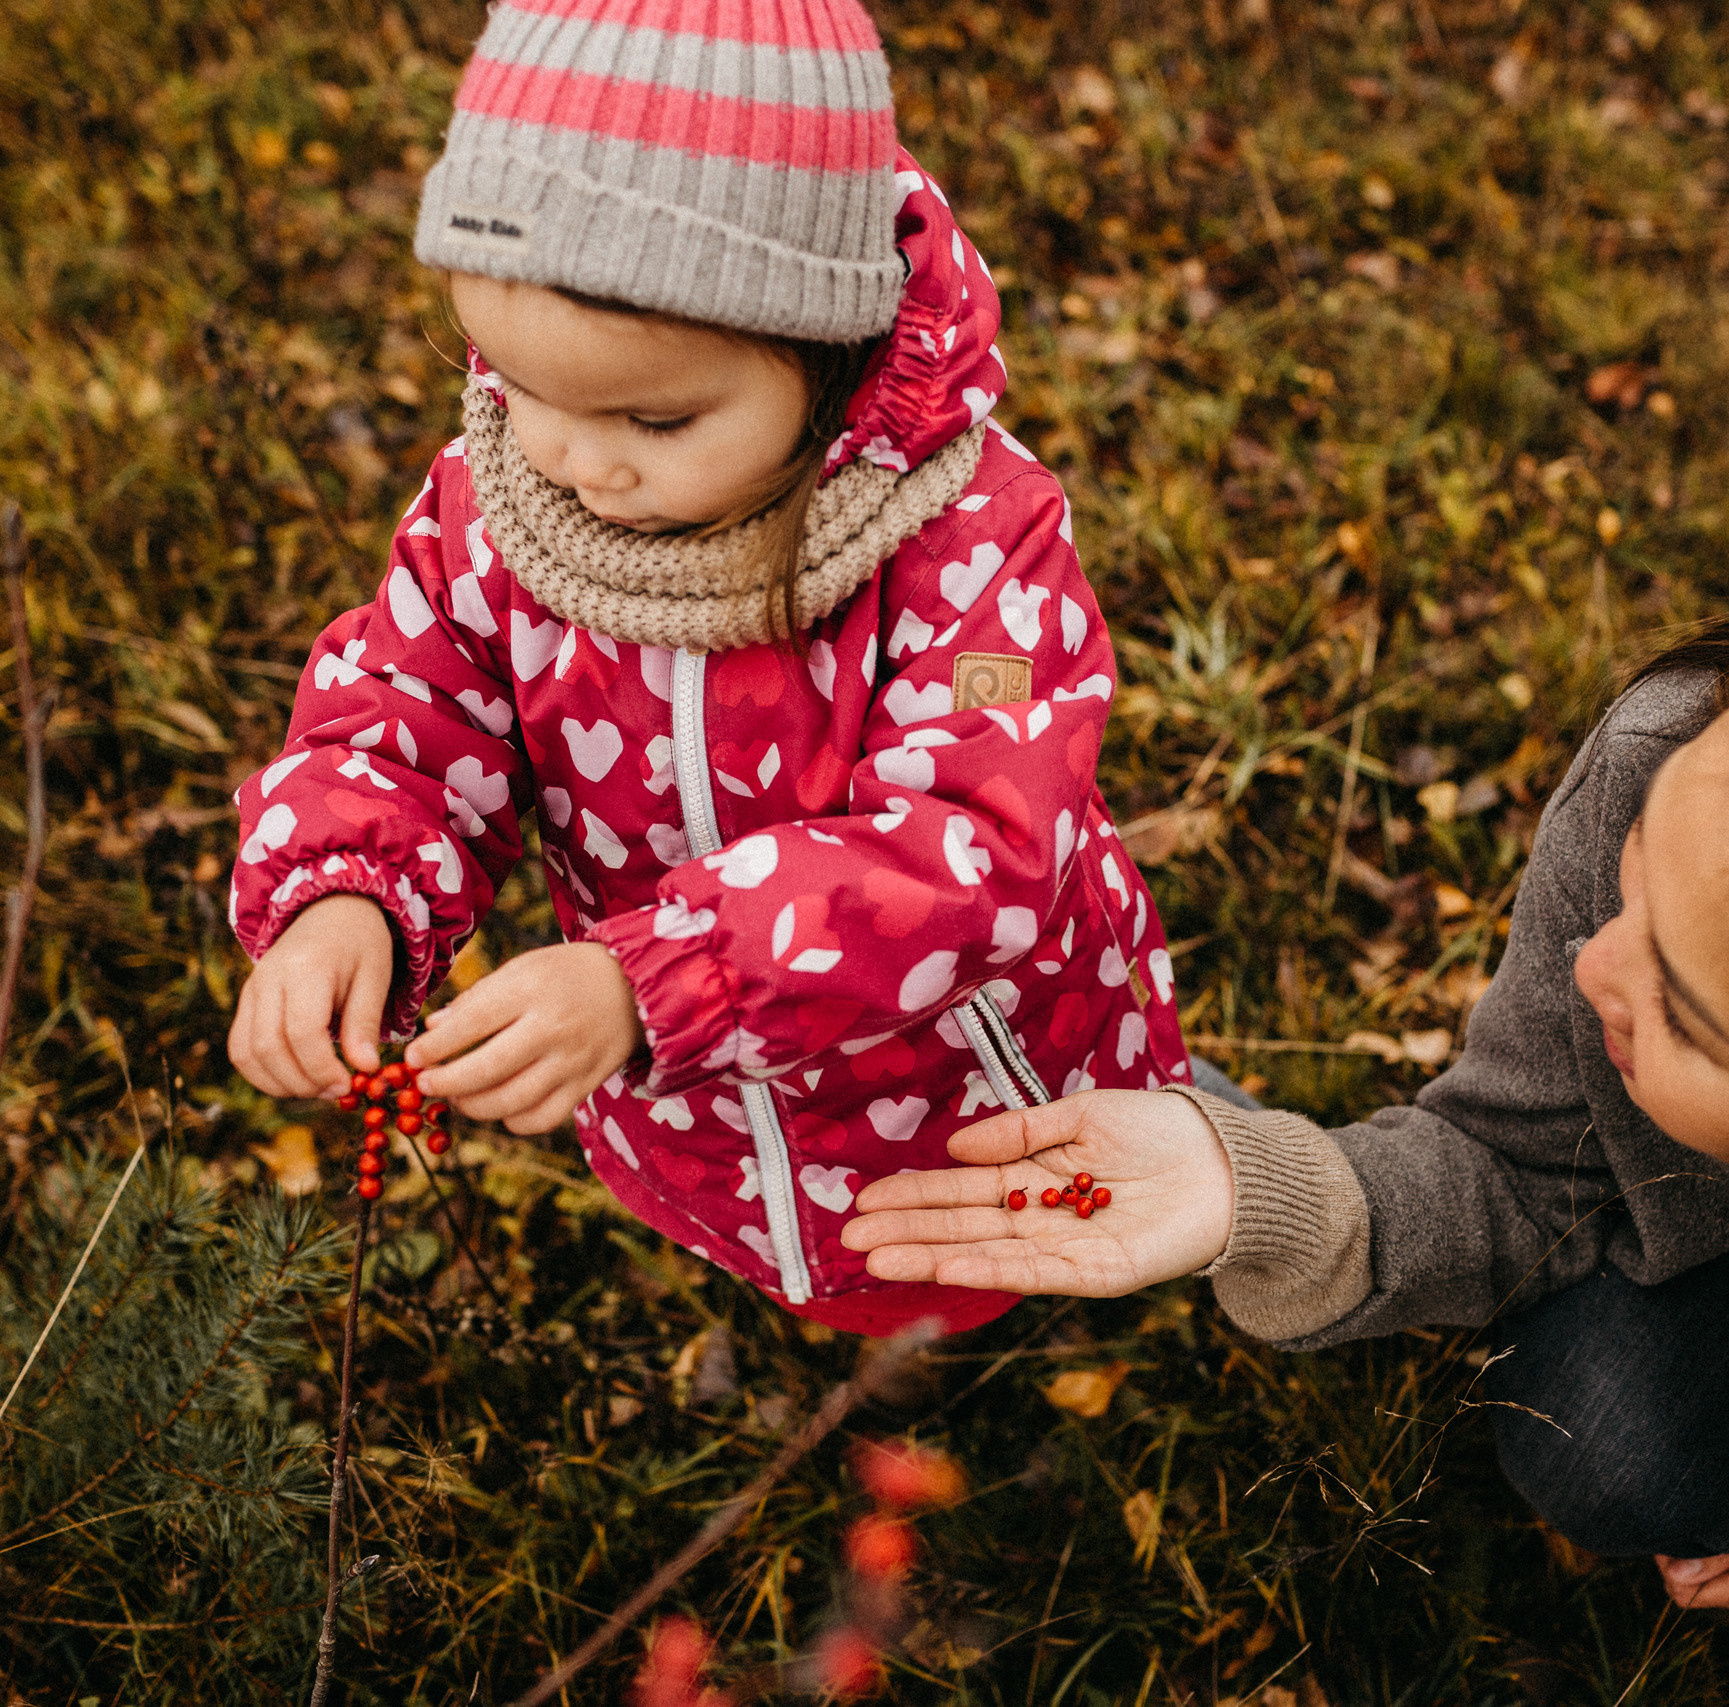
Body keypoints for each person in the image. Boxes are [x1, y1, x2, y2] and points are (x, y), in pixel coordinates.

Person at [843, 589, 1729, 1701]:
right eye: (1641, 869)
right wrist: (1250, 1189)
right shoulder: (1698, 754)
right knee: (1609, 1434)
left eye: (1690, 1011)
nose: (1598, 960)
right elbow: (1513, 1164)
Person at [226, 0, 1188, 1337]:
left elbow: (976, 842)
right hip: (695, 1105)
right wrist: (349, 893)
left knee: (983, 1288)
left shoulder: (970, 551)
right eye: (518, 382)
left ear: (830, 348)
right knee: (771, 1268)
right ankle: (788, 1292)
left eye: (654, 416)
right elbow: (406, 714)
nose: (575, 461)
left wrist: (654, 978)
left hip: (965, 1088)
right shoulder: (498, 505)